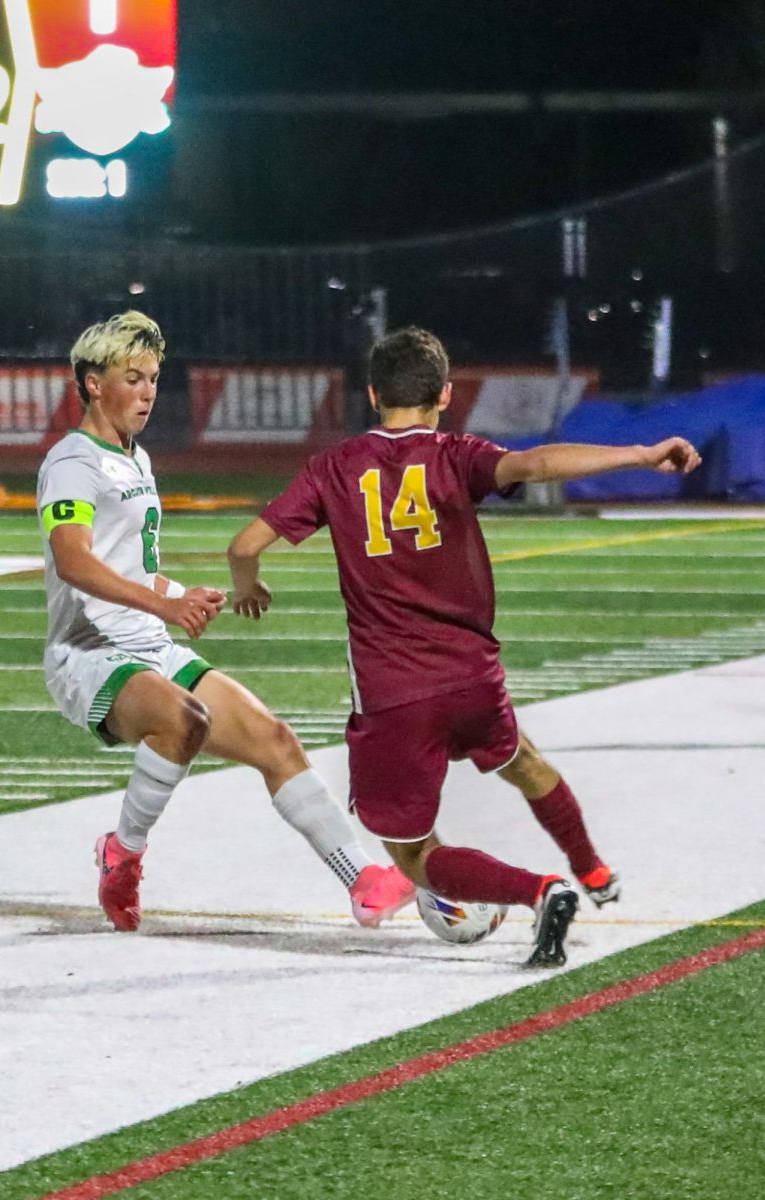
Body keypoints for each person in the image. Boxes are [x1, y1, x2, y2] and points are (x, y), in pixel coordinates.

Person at [228, 326, 702, 966]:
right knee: (525, 763)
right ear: (446, 395)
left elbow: (244, 545)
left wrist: (248, 586)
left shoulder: (333, 467)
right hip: (474, 677)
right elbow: (534, 464)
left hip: (394, 692)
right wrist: (642, 455)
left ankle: (540, 890)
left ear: (372, 394)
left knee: (414, 854)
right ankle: (592, 872)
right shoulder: (457, 454)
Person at [36, 311, 415, 932]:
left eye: (155, 378)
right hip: (89, 654)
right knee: (183, 721)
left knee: (276, 740)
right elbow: (74, 562)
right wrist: (165, 606)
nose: (149, 391)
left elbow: (132, 565)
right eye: (133, 377)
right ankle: (123, 855)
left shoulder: (135, 459)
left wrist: (183, 594)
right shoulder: (73, 462)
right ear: (92, 382)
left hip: (146, 641)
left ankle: (363, 881)